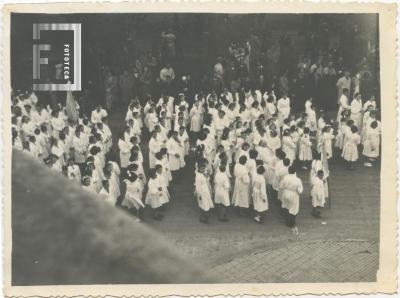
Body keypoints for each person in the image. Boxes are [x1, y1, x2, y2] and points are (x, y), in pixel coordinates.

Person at [280, 165, 303, 235]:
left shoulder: (285, 178)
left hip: (286, 193)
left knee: (286, 207)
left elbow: (281, 186)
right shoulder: (298, 180)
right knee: (293, 209)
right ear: (295, 171)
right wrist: (298, 191)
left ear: (288, 171)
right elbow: (300, 190)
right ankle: (291, 222)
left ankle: (287, 220)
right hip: (293, 194)